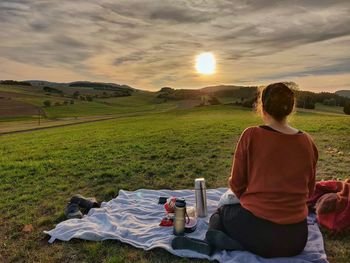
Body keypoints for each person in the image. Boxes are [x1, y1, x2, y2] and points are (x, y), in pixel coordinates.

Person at [172, 82, 318, 258]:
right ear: (291, 108)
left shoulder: (251, 135)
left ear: (262, 107)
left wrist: (250, 201)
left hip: (258, 230)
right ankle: (243, 244)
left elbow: (237, 184)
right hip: (296, 239)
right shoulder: (308, 142)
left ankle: (215, 240)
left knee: (221, 212)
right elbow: (310, 191)